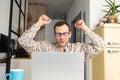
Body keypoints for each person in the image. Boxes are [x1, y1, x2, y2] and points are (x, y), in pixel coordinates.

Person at [18, 15, 104, 60]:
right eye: (58, 34)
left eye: (65, 33)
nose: (62, 37)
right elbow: (23, 41)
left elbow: (100, 45)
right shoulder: (45, 47)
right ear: (55, 35)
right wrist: (39, 23)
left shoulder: (79, 49)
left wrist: (84, 28)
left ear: (70, 34)